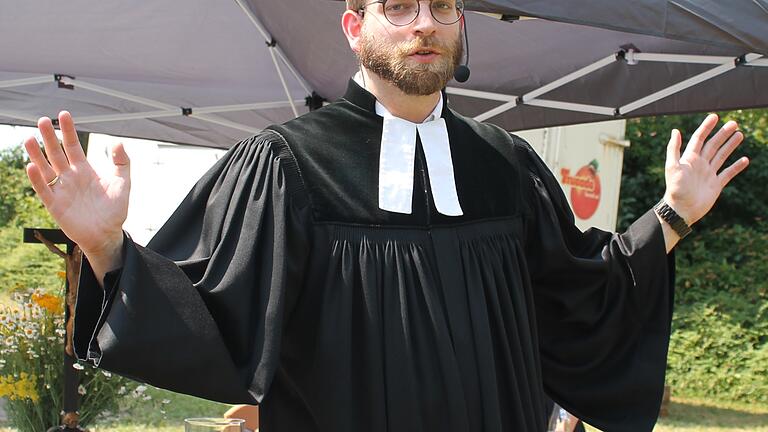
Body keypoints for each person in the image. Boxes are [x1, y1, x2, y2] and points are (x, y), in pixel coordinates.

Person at [23, 0, 749, 430]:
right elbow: (217, 319)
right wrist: (108, 249)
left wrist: (674, 214)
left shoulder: (504, 164)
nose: (423, 25)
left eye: (441, 7)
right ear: (353, 26)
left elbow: (578, 298)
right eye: (398, 7)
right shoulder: (287, 165)